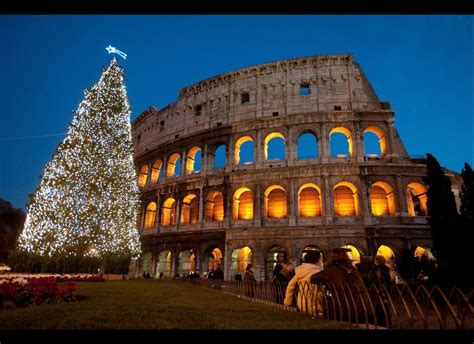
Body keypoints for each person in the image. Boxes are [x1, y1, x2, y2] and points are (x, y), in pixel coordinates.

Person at [310, 248, 373, 324]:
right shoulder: (353, 269)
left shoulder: (331, 270)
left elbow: (313, 278)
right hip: (360, 307)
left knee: (329, 294)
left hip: (341, 309)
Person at [284, 250, 323, 315]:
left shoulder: (300, 271)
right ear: (316, 261)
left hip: (301, 303)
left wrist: (288, 302)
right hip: (316, 305)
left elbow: (290, 286)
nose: (321, 262)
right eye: (321, 260)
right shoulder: (318, 273)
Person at [366, 255, 392, 328]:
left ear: (376, 261)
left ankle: (379, 324)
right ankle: (386, 324)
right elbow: (389, 282)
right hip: (385, 292)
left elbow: (369, 282)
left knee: (377, 310)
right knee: (385, 309)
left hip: (376, 293)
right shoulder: (386, 270)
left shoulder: (375, 270)